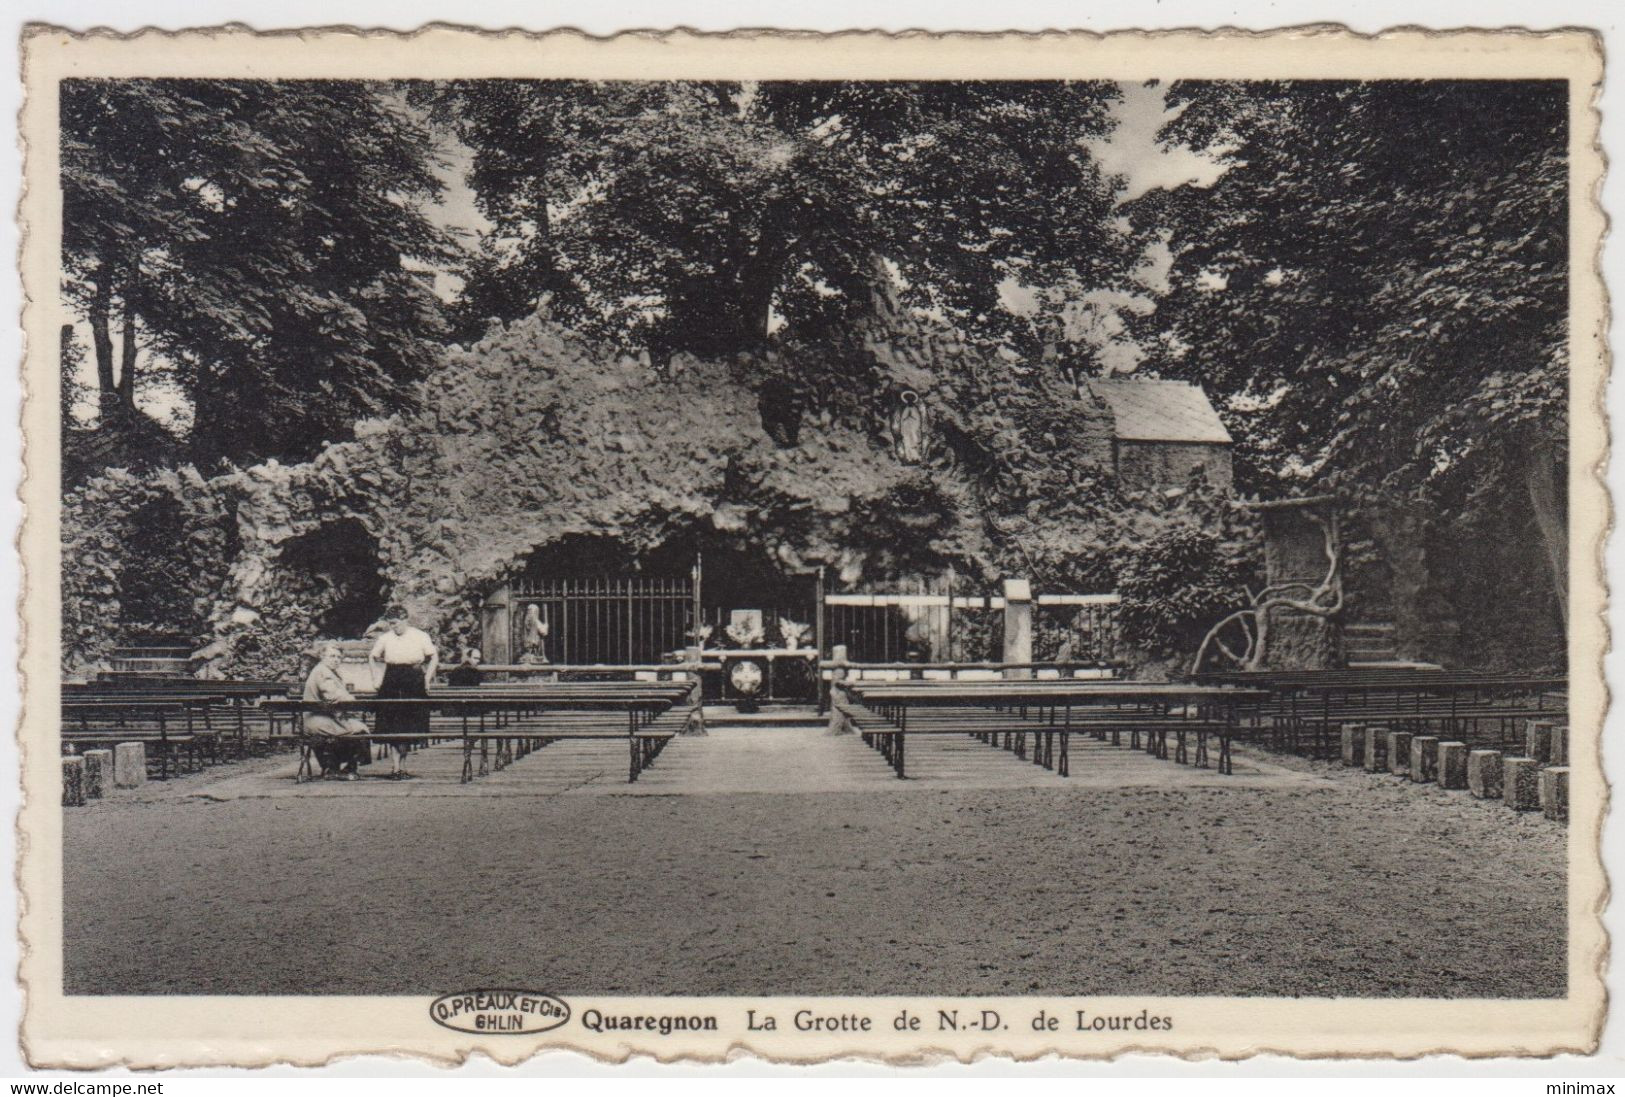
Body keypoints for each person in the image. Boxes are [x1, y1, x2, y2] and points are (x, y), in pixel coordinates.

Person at [367, 604, 438, 778]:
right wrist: (376, 678)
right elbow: (372, 657)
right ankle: (396, 767)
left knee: (410, 723)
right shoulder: (385, 638)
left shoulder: (420, 636)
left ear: (405, 620)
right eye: (390, 624)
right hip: (392, 679)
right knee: (392, 724)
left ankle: (403, 766)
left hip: (413, 679)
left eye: (396, 623)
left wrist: (427, 679)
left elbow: (434, 657)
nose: (394, 627)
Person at [301, 644, 370, 780]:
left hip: (320, 717)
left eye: (339, 657)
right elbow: (332, 695)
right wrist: (351, 699)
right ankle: (340, 768)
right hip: (317, 720)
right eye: (332, 656)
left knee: (356, 727)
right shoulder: (323, 672)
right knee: (360, 729)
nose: (336, 659)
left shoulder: (325, 671)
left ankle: (339, 767)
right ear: (322, 657)